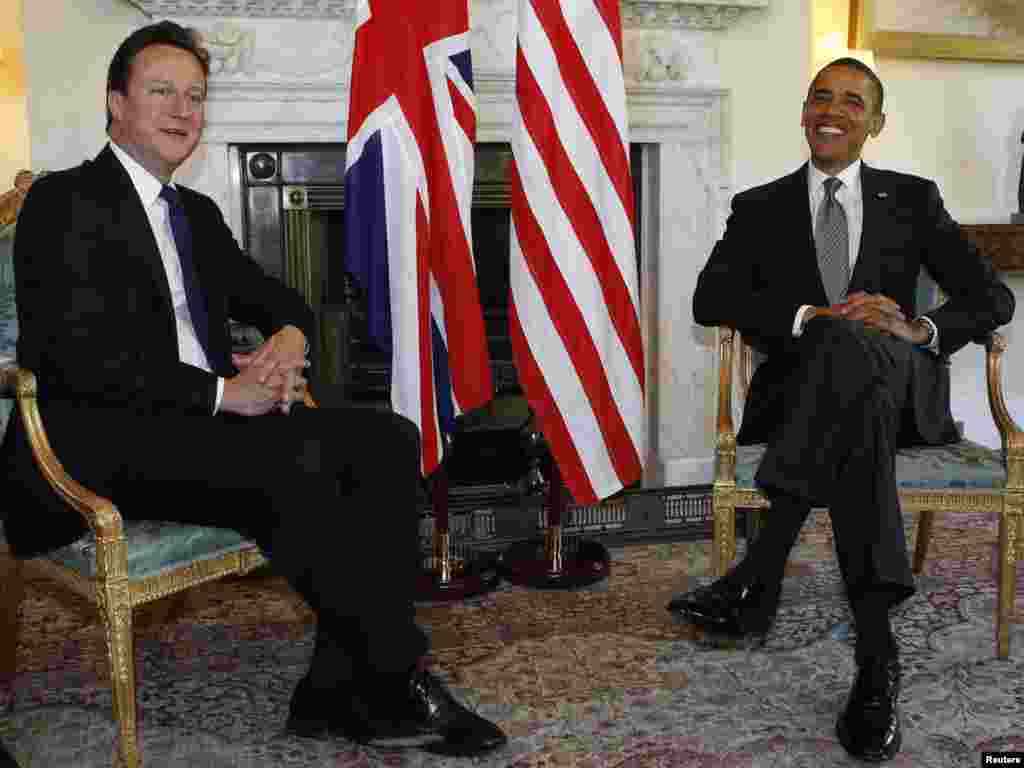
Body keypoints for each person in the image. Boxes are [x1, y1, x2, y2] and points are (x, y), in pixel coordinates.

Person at [0, 21, 506, 757]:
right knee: (296, 468)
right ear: (116, 104)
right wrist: (224, 395)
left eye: (196, 97)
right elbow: (81, 361)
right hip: (93, 441)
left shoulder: (194, 214)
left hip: (191, 428)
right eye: (161, 92)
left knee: (386, 437)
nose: (182, 111)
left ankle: (334, 684)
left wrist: (290, 339)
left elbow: (279, 300)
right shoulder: (64, 203)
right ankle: (395, 678)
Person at [673, 58, 1014, 762]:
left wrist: (916, 328)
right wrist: (806, 316)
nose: (834, 110)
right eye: (822, 97)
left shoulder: (913, 199)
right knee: (838, 348)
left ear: (875, 123)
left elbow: (991, 298)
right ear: (803, 112)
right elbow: (711, 300)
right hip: (807, 396)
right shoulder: (759, 206)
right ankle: (877, 653)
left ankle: (759, 573)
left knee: (858, 349)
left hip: (904, 388)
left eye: (853, 102)